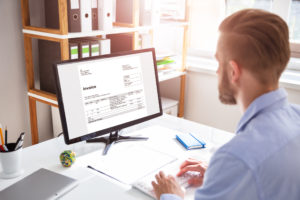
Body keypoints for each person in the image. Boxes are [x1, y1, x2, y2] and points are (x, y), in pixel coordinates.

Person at [152, 8, 300, 200]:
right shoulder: (296, 116)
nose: (216, 71)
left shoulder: (237, 158)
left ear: (233, 71)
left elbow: (248, 163)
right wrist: (226, 178)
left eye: (219, 62)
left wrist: (170, 195)